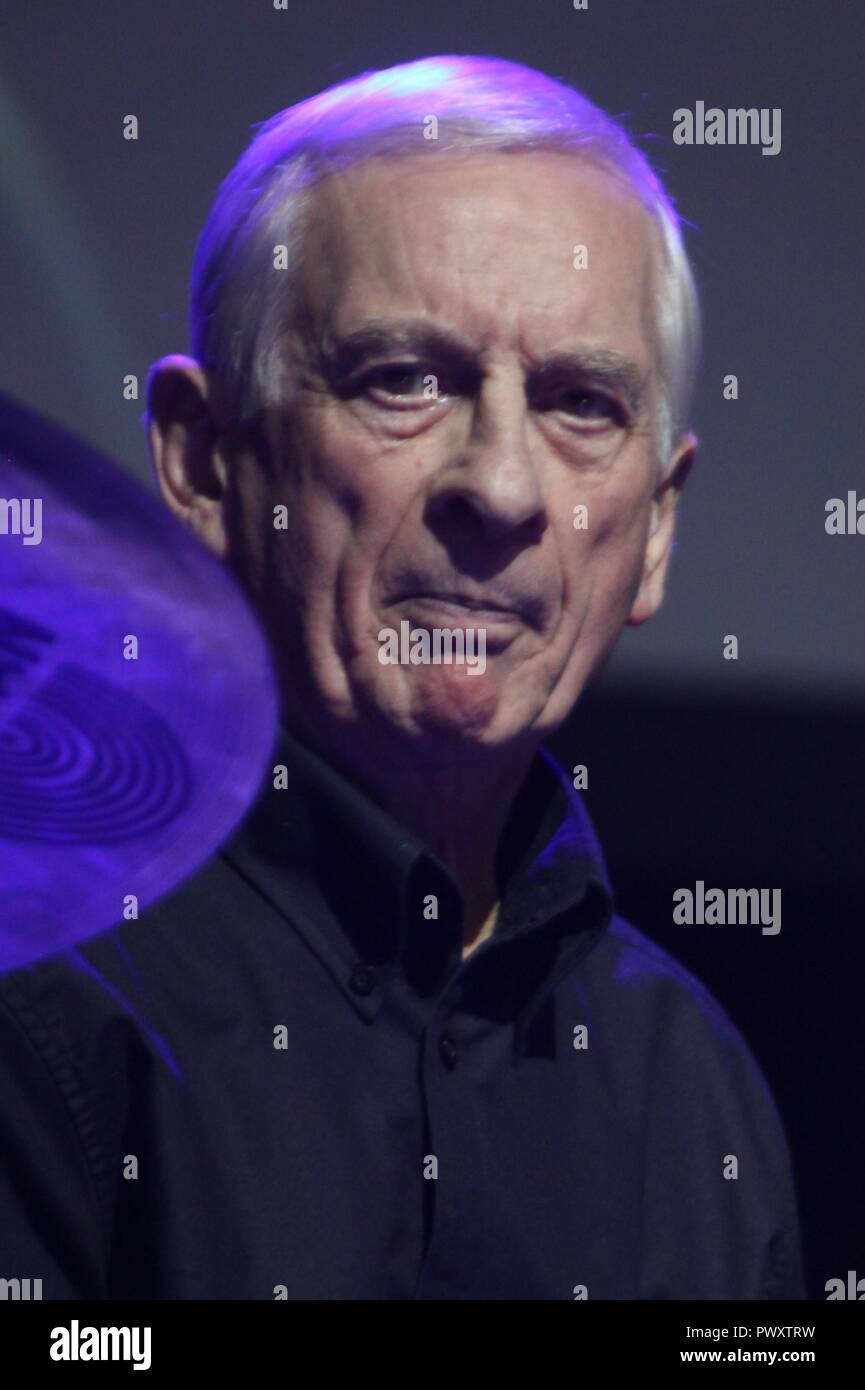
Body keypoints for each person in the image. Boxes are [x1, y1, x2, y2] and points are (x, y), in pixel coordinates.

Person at [0, 55, 805, 1299]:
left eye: (581, 403)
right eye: (404, 381)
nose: (500, 489)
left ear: (653, 530)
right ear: (207, 465)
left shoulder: (696, 1092)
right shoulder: (41, 1001)